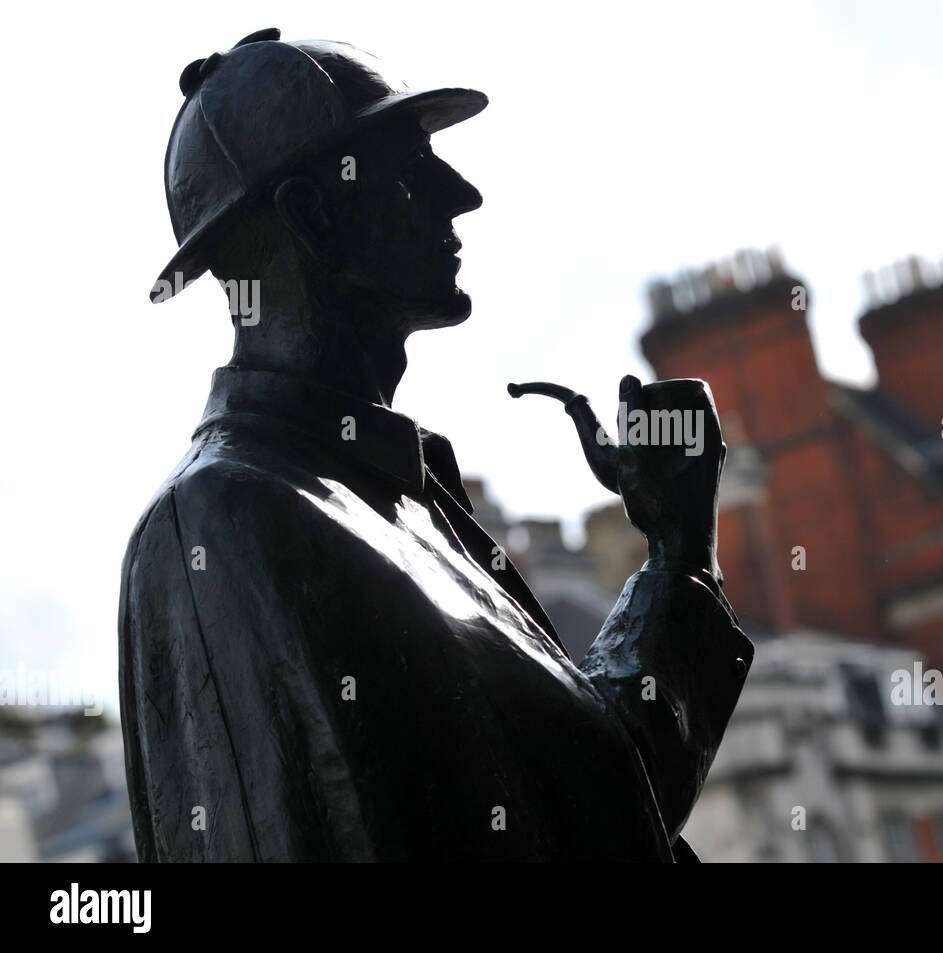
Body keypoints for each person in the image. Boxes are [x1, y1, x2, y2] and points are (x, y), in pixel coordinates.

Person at [120, 28, 753, 861]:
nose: (463, 193)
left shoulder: (413, 500)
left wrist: (679, 553)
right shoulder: (222, 518)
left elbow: (598, 812)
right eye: (412, 168)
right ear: (313, 214)